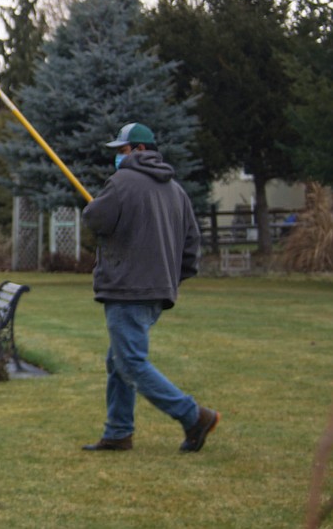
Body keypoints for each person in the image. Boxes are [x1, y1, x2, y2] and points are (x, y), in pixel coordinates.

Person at [80, 122, 219, 453]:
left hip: (127, 289)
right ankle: (118, 432)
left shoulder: (122, 182)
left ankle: (194, 416)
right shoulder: (176, 190)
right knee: (119, 360)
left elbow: (94, 221)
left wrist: (95, 206)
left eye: (122, 150)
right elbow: (191, 244)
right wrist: (172, 279)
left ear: (140, 150)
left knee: (130, 363)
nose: (118, 157)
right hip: (157, 291)